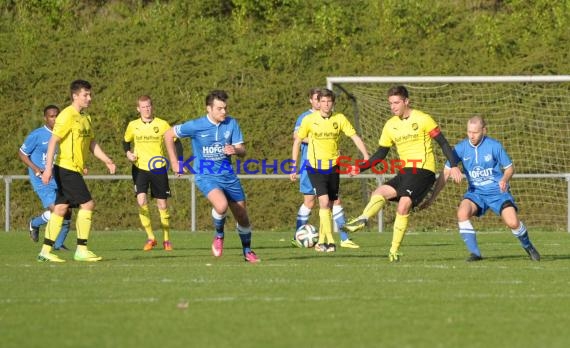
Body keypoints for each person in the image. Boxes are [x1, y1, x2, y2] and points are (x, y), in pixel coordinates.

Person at [345, 85, 462, 262]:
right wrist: (360, 168)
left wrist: (453, 165)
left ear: (406, 101)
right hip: (405, 172)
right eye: (391, 103)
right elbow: (380, 154)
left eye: (396, 102)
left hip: (423, 170)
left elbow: (443, 143)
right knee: (379, 192)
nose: (393, 107)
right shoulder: (390, 125)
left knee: (404, 204)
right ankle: (362, 219)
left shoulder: (423, 119)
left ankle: (394, 250)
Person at [164, 90, 260, 263]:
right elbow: (168, 134)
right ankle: (219, 235)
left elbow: (243, 150)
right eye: (219, 109)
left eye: (225, 108)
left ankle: (247, 251)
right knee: (221, 205)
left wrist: (235, 150)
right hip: (205, 175)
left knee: (242, 216)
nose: (224, 112)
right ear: (209, 109)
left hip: (228, 176)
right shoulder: (196, 125)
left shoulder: (231, 124)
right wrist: (174, 162)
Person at [443, 116, 541, 262]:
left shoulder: (494, 146)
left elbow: (509, 168)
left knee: (513, 223)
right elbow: (447, 169)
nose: (471, 135)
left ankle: (528, 246)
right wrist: (453, 167)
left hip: (497, 193)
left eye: (475, 132)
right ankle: (475, 254)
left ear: (484, 130)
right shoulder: (461, 148)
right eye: (469, 132)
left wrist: (504, 179)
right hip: (476, 193)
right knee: (462, 213)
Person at [38, 79, 116, 263]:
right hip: (66, 169)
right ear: (75, 96)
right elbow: (53, 142)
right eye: (85, 95)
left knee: (61, 208)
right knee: (88, 204)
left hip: (74, 169)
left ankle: (45, 251)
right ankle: (81, 249)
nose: (89, 98)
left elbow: (91, 144)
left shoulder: (85, 118)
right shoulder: (66, 116)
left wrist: (107, 160)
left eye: (90, 94)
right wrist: (47, 169)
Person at [290, 88, 369, 252]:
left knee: (332, 202)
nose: (325, 104)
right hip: (314, 167)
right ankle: (330, 241)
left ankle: (326, 241)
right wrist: (293, 166)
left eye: (329, 101)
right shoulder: (309, 119)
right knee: (323, 202)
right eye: (323, 101)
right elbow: (297, 141)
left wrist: (366, 156)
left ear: (333, 103)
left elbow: (354, 136)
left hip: (333, 167)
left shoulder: (339, 119)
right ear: (318, 102)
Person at [123, 95, 182, 252]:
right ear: (138, 109)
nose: (146, 109)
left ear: (152, 106)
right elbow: (125, 141)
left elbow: (177, 142)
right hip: (139, 168)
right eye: (143, 107)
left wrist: (179, 163)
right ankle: (151, 238)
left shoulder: (162, 124)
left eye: (148, 106)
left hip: (158, 168)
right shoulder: (133, 125)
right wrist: (128, 153)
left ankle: (167, 240)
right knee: (141, 202)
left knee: (162, 204)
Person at [19, 105, 71, 250]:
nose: (54, 119)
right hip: (41, 179)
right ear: (45, 118)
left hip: (58, 176)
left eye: (57, 116)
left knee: (67, 211)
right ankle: (35, 224)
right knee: (57, 210)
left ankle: (58, 244)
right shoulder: (37, 135)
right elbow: (22, 153)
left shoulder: (63, 133)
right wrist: (36, 168)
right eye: (51, 116)